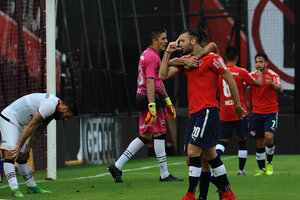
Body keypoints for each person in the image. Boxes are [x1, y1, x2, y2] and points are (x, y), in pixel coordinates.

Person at [159, 28, 244, 200]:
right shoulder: (186, 61)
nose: (179, 44)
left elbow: (229, 78)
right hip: (195, 114)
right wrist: (169, 52)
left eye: (182, 41)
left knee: (192, 152)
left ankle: (190, 194)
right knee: (209, 155)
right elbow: (162, 74)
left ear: (193, 41)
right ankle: (227, 193)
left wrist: (237, 105)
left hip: (208, 111)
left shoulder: (212, 59)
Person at [107, 27, 183, 183]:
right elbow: (150, 82)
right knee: (160, 133)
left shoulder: (149, 54)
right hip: (149, 97)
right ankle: (164, 175)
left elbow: (157, 80)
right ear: (154, 40)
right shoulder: (152, 57)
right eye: (163, 38)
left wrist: (167, 100)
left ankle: (117, 165)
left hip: (142, 96)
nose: (166, 41)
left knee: (145, 135)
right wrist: (153, 106)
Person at [0, 93, 77, 197]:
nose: (65, 119)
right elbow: (31, 126)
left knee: (22, 156)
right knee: (11, 153)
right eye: (67, 116)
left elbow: (40, 128)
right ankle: (15, 189)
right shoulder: (50, 106)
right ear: (64, 108)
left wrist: (28, 148)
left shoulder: (55, 108)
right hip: (10, 118)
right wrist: (19, 146)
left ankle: (31, 187)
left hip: (20, 123)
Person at [216, 46, 262, 176]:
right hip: (239, 111)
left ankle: (214, 167)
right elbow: (258, 83)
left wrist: (224, 99)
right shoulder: (241, 72)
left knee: (222, 141)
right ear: (236, 58)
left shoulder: (220, 73)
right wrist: (258, 74)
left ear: (225, 58)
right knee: (242, 140)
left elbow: (216, 93)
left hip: (224, 112)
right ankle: (241, 170)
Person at [249, 53, 283, 176]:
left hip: (271, 112)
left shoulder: (273, 75)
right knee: (259, 141)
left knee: (268, 137)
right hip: (256, 113)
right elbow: (244, 85)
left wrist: (272, 84)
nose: (258, 64)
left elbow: (280, 89)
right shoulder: (252, 75)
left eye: (261, 61)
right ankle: (262, 169)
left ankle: (269, 163)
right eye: (256, 62)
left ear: (266, 63)